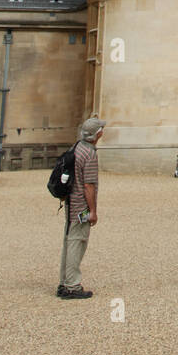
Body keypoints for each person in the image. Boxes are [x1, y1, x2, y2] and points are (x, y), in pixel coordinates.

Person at [57, 116, 105, 300]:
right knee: (78, 242)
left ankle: (64, 282)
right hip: (81, 208)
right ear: (97, 134)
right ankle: (72, 286)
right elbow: (89, 186)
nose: (102, 131)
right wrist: (92, 211)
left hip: (70, 204)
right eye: (101, 129)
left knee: (69, 242)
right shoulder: (90, 154)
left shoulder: (76, 147)